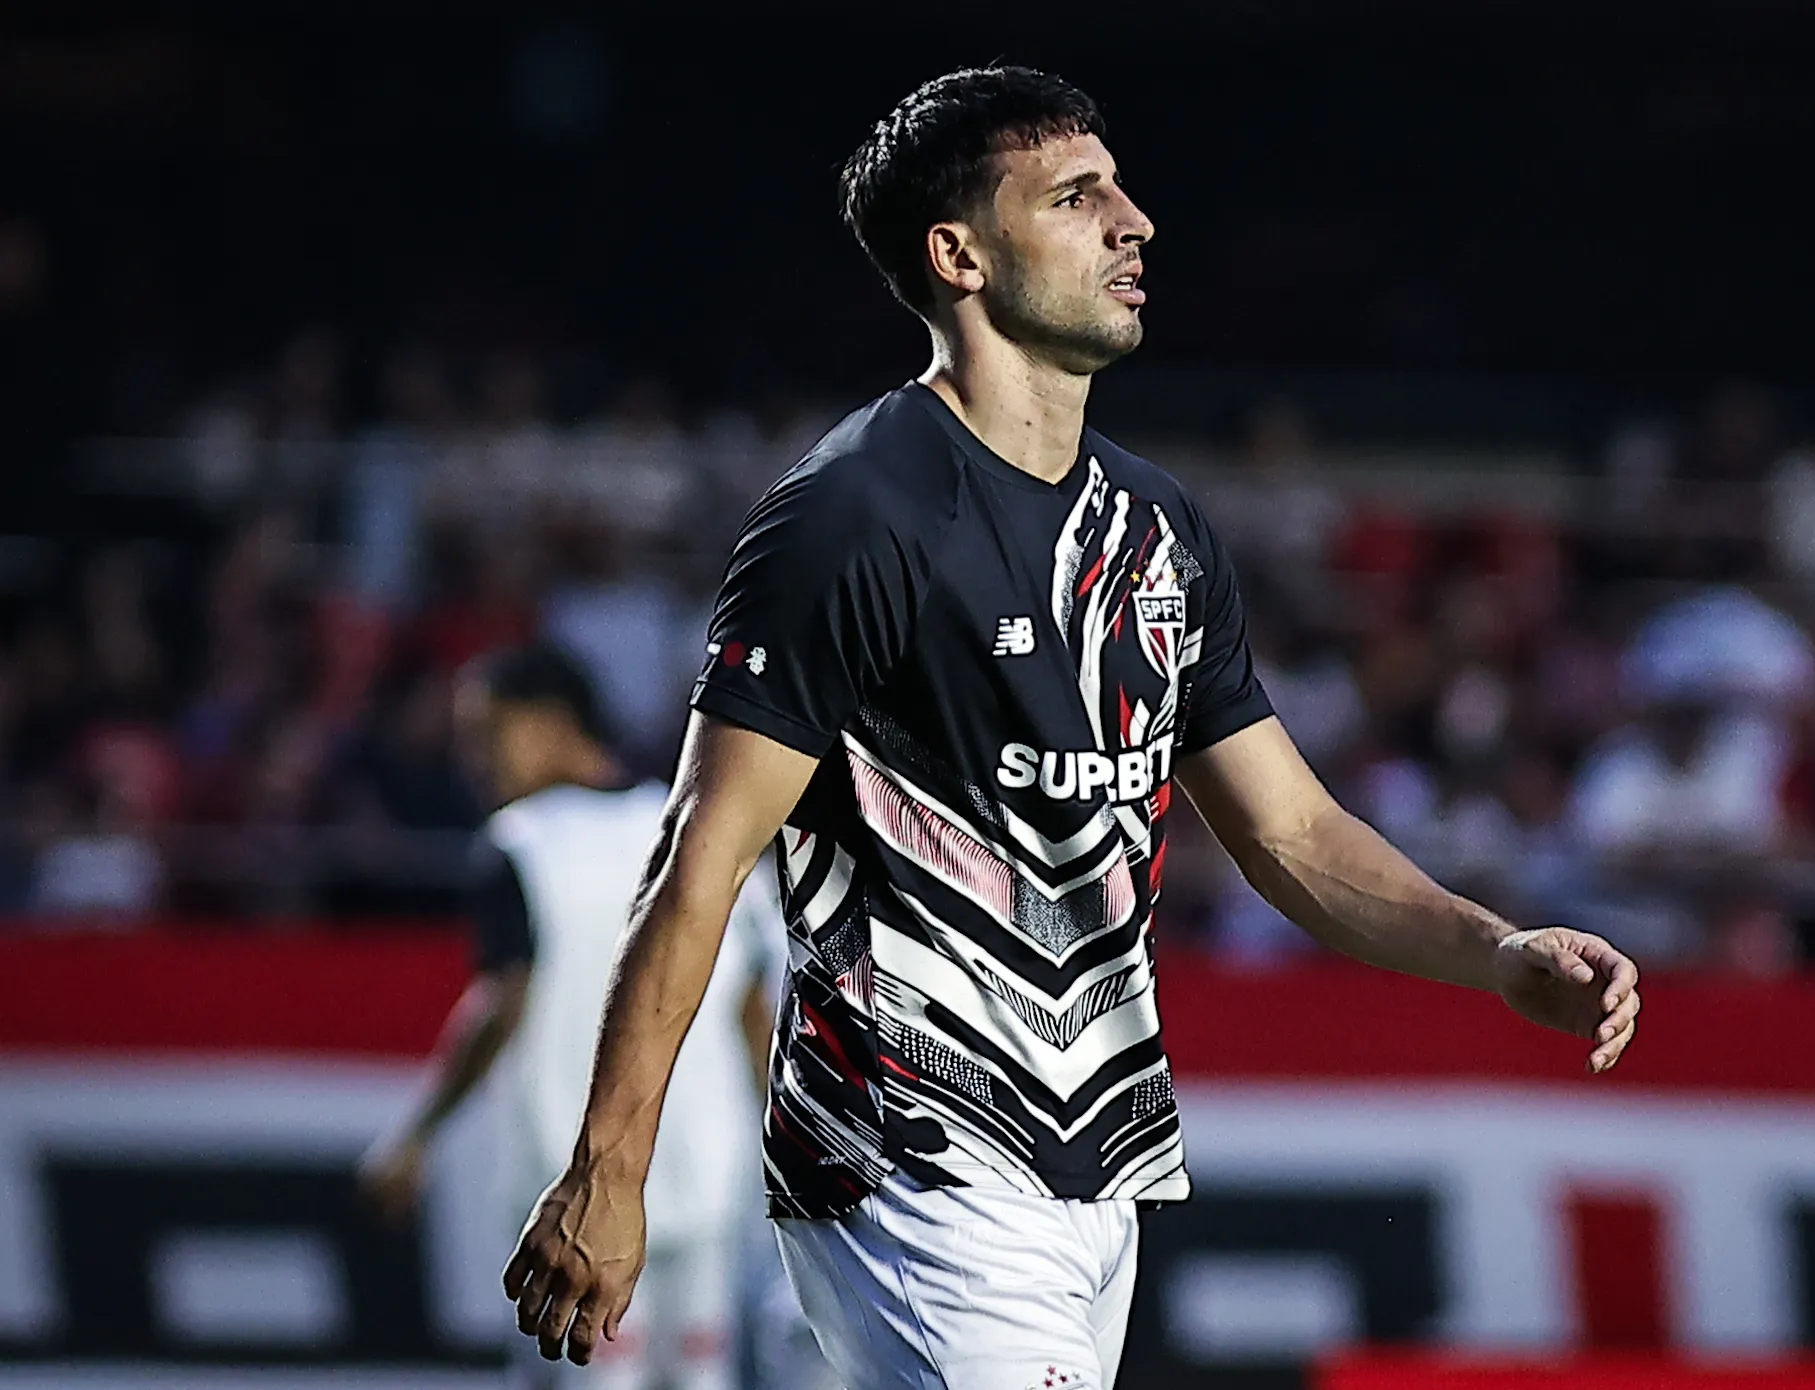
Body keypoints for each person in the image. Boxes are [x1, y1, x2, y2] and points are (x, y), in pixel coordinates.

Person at [500, 66, 1642, 1390]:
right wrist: (607, 1171)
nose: (1135, 220)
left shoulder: (1158, 532)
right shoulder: (852, 518)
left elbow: (1293, 834)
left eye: (1121, 187)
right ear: (958, 255)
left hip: (1101, 1176)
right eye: (1077, 195)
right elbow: (696, 860)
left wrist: (1495, 951)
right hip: (913, 1157)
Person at [358, 645, 811, 1389]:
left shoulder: (521, 845)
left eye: (485, 733)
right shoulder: (696, 830)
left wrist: (416, 1136)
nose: (472, 762)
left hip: (573, 1187)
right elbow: (753, 1013)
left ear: (549, 724)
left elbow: (502, 1005)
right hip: (704, 1175)